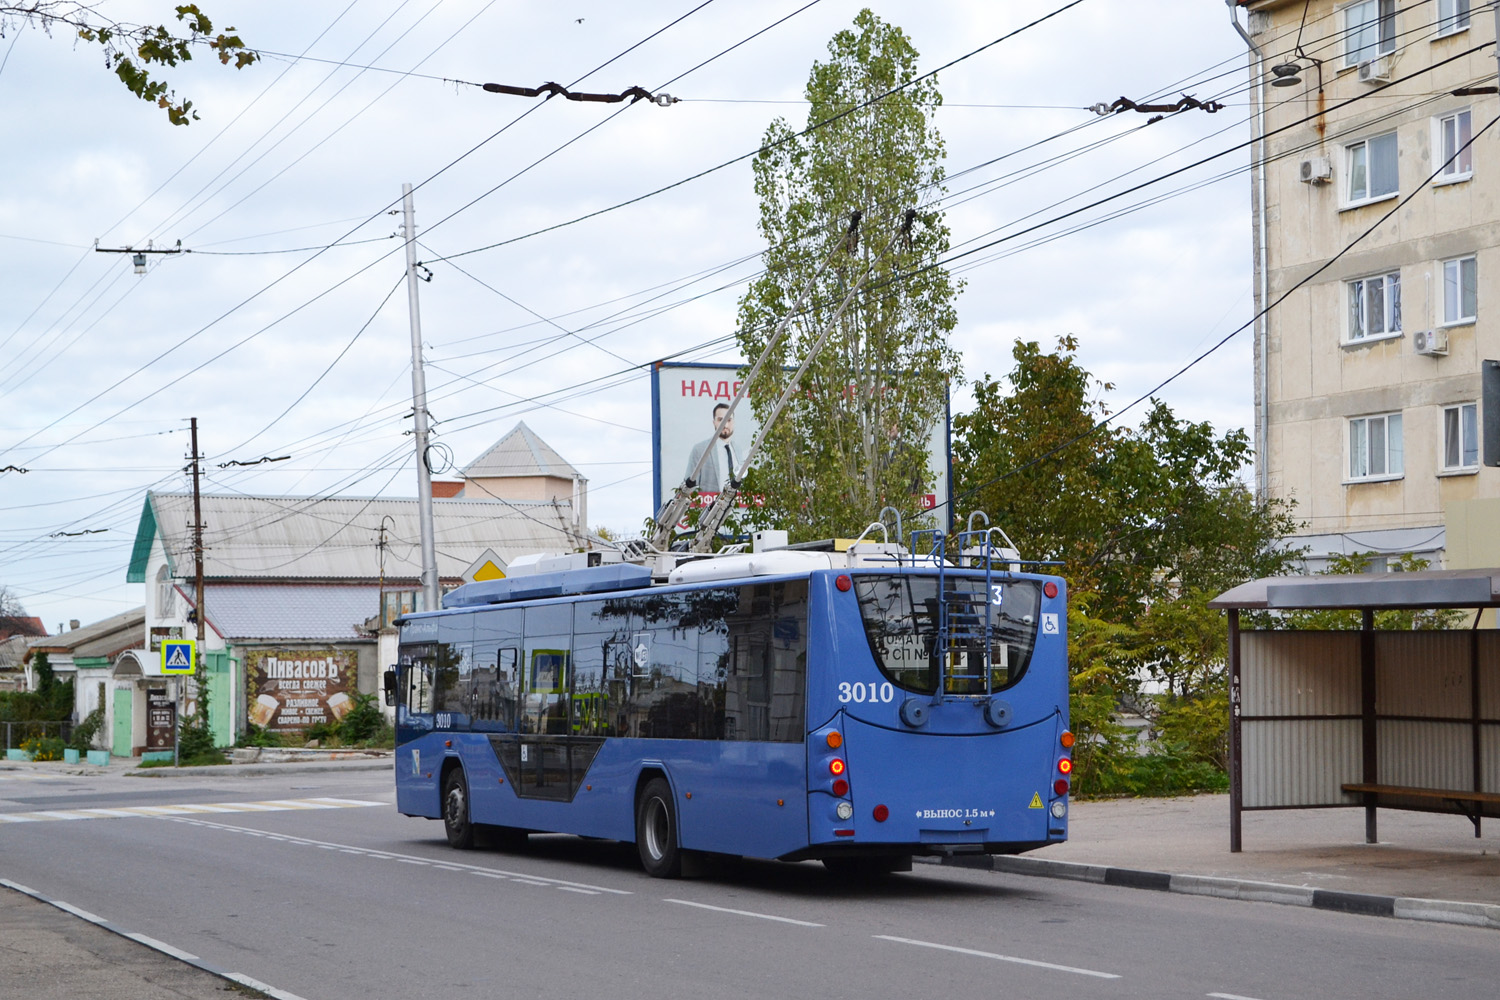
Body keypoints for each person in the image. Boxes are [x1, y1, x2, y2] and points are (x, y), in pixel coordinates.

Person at [684, 402, 738, 492]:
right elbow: (689, 488)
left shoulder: (738, 450)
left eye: (729, 420)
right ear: (714, 422)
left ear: (733, 422)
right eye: (721, 420)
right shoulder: (700, 450)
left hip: (738, 504)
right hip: (710, 504)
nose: (725, 425)